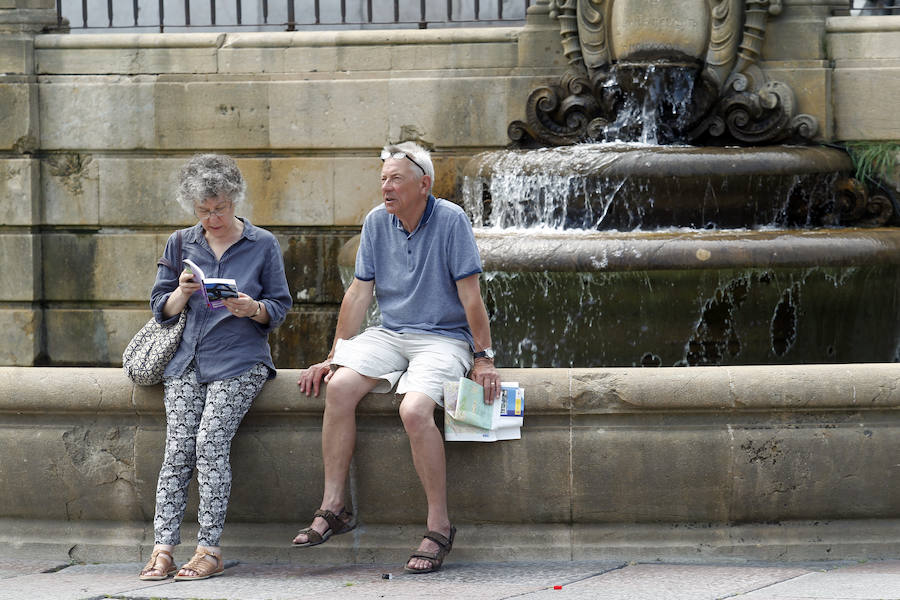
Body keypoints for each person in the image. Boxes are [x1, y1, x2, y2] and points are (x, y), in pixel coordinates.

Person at [293, 141, 501, 574]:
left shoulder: (451, 220)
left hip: (443, 338)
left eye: (395, 180)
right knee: (341, 387)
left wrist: (483, 358)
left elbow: (471, 297)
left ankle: (439, 526)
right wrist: (335, 355)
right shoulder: (375, 222)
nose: (386, 187)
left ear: (424, 184)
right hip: (391, 333)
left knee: (414, 409)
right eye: (383, 179)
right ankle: (335, 507)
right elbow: (358, 293)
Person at [138, 154, 292, 581]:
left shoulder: (262, 244)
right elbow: (159, 307)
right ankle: (163, 548)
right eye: (203, 211)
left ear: (234, 200)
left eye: (220, 208)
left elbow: (279, 306)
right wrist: (182, 294)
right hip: (186, 361)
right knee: (177, 448)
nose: (213, 217)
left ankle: (209, 549)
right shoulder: (181, 242)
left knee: (209, 443)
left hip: (241, 361)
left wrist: (252, 307)